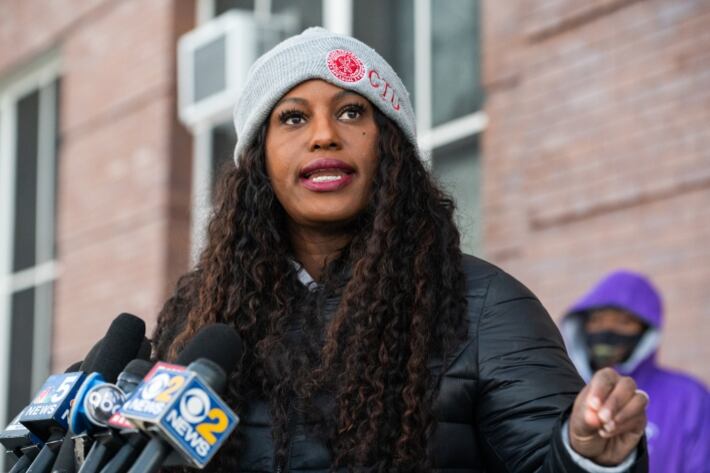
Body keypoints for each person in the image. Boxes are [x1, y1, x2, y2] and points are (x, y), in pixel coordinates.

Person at [152, 28, 649, 472]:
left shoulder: (488, 307)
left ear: (391, 150)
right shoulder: (200, 319)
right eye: (293, 118)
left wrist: (587, 457)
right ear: (259, 160)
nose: (325, 135)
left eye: (352, 112)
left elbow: (545, 457)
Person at [562, 270, 710, 473]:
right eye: (597, 319)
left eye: (623, 321)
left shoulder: (689, 397)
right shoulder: (565, 396)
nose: (607, 329)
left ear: (645, 331)